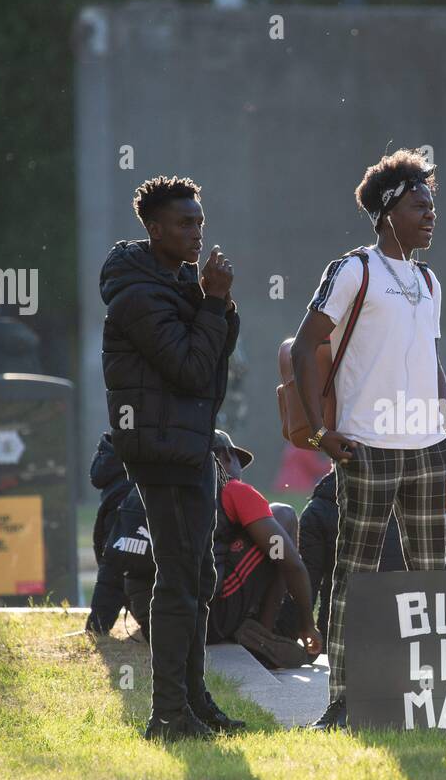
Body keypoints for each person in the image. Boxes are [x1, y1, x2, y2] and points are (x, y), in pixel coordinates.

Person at [289, 148, 446, 731]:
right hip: (367, 446)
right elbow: (308, 345)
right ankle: (344, 699)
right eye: (419, 205)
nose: (431, 215)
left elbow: (430, 356)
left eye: (433, 205)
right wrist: (319, 431)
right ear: (388, 212)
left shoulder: (429, 279)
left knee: (429, 573)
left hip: (428, 448)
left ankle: (430, 698)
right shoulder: (353, 270)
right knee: (356, 575)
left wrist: (445, 427)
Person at [100, 174, 245, 741]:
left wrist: (218, 302)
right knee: (179, 578)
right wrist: (211, 301)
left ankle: (195, 700)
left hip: (189, 442)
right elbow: (188, 367)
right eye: (185, 223)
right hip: (161, 451)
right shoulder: (137, 296)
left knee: (199, 573)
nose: (196, 232)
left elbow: (215, 355)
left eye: (200, 221)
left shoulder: (179, 281)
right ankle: (167, 715)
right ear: (154, 229)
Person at [122, 431, 323, 662]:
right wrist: (308, 625)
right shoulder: (231, 489)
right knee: (283, 517)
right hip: (205, 621)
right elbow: (293, 565)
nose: (240, 473)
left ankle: (257, 630)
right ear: (227, 457)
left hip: (153, 620)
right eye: (239, 462)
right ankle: (264, 634)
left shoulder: (151, 489)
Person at [276, 466, 446, 649]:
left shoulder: (318, 509)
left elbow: (305, 584)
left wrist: (286, 632)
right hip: (417, 629)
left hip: (345, 634)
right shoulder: (415, 498)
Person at [84, 430, 137, 636]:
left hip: (114, 542)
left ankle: (98, 624)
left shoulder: (112, 458)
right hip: (125, 538)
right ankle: (98, 625)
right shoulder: (134, 459)